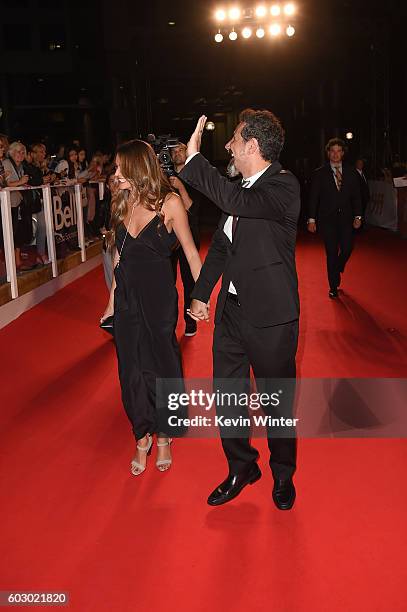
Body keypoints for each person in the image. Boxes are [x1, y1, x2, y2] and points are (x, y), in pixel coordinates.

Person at [181, 110, 300, 510]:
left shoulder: (283, 186)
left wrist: (194, 159)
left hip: (271, 318)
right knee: (227, 397)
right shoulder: (240, 189)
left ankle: (283, 473)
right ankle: (241, 467)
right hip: (231, 315)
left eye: (233, 139)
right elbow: (220, 247)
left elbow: (234, 200)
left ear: (252, 145)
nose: (228, 146)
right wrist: (200, 293)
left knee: (276, 403)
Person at [100, 139, 201, 476]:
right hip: (127, 298)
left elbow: (189, 251)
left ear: (136, 167)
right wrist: (111, 302)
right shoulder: (121, 202)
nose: (115, 174)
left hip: (159, 299)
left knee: (162, 365)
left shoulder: (169, 203)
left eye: (119, 167)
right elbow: (119, 258)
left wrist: (201, 296)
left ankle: (164, 435)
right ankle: (142, 434)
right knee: (130, 370)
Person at [308, 138, 362, 298]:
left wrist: (358, 216)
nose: (335, 154)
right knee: (331, 253)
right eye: (332, 151)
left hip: (347, 218)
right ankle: (333, 286)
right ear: (328, 153)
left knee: (347, 248)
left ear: (343, 153)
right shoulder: (320, 173)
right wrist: (311, 219)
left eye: (339, 151)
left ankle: (338, 266)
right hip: (327, 220)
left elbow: (357, 196)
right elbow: (313, 197)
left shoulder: (352, 172)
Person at [169, 142, 201, 336]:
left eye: (181, 149)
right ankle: (169, 321)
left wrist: (180, 186)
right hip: (168, 238)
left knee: (190, 282)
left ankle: (190, 321)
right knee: (168, 282)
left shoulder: (196, 177)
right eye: (175, 151)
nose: (178, 153)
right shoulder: (164, 177)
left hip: (189, 234)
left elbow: (191, 207)